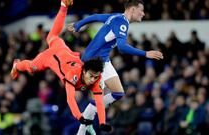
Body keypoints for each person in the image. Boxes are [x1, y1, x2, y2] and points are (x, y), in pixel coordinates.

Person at [10, 0, 112, 132]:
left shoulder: (96, 78)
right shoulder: (73, 75)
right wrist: (79, 117)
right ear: (84, 71)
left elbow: (99, 101)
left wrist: (103, 122)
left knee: (52, 36)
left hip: (64, 50)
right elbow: (70, 98)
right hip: (51, 57)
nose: (92, 79)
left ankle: (64, 6)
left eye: (95, 77)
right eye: (91, 76)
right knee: (31, 67)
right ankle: (17, 65)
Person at [67, 0, 164, 134]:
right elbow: (122, 47)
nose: (143, 13)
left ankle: (89, 114)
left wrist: (79, 24)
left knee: (118, 93)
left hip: (103, 60)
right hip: (92, 62)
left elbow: (94, 17)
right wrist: (146, 53)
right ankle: (82, 129)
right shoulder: (122, 22)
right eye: (141, 10)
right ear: (132, 9)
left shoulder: (115, 17)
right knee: (99, 95)